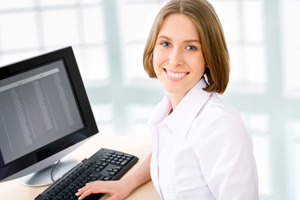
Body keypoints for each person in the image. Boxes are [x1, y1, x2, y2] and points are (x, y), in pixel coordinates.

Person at [76, 0, 259, 199]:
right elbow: (166, 154)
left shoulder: (220, 127)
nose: (174, 59)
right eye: (166, 43)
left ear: (209, 55)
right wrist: (127, 184)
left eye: (190, 47)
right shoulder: (171, 110)